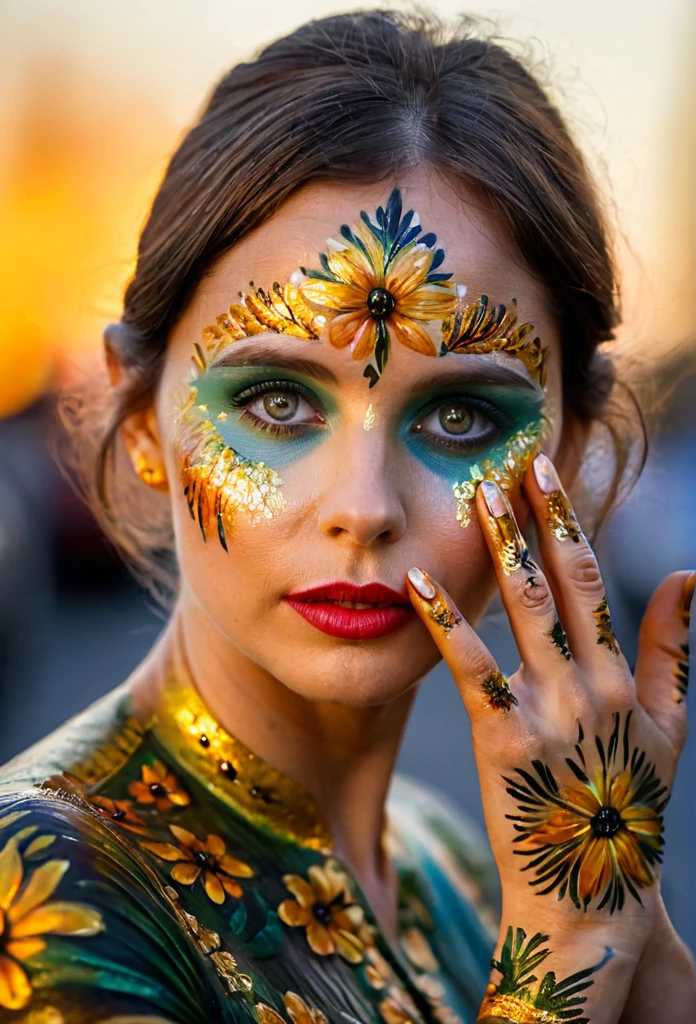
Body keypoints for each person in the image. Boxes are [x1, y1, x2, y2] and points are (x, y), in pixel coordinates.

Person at [0, 10, 694, 1024]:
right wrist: (572, 955)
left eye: (459, 416)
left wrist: (624, 912)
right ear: (143, 415)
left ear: (569, 453)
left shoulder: (451, 867)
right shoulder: (44, 891)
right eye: (277, 403)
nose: (364, 508)